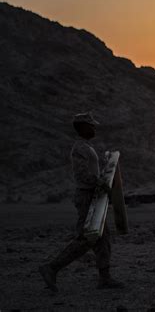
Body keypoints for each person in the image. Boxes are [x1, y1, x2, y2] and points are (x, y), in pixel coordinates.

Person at [39, 112, 123, 292]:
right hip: (86, 197)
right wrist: (101, 182)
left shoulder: (87, 147)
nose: (94, 128)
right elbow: (83, 175)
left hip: (94, 196)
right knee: (86, 238)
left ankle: (105, 278)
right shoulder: (79, 148)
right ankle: (52, 267)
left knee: (102, 238)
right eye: (91, 125)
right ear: (83, 127)